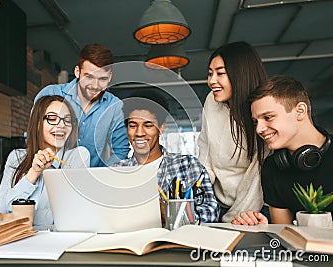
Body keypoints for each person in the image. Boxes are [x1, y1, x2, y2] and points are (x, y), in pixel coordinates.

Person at [0, 95, 90, 226]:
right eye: (52, 118)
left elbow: (67, 215)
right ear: (38, 124)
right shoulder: (16, 157)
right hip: (15, 240)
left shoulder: (77, 156)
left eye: (67, 120)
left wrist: (7, 218)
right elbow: (1, 208)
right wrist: (33, 173)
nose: (61, 125)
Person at [232, 76, 333, 225]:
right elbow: (284, 231)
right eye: (256, 122)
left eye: (268, 117)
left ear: (300, 111)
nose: (259, 129)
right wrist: (265, 229)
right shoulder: (272, 168)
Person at [113, 91, 219, 223]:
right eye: (133, 126)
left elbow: (210, 213)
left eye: (148, 125)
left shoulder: (188, 166)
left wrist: (169, 214)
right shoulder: (117, 171)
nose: (139, 133)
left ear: (161, 128)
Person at [197, 41, 269, 223]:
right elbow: (205, 156)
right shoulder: (211, 102)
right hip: (218, 204)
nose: (211, 81)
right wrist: (198, 198)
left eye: (220, 73)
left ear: (241, 74)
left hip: (255, 210)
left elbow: (256, 178)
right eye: (210, 73)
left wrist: (235, 218)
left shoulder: (263, 111)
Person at [33, 44, 129, 167]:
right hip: (48, 177)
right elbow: (33, 137)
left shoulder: (115, 106)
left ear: (110, 77)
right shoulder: (50, 94)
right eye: (89, 77)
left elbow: (120, 151)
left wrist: (102, 177)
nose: (95, 85)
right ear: (77, 72)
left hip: (91, 182)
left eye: (102, 79)